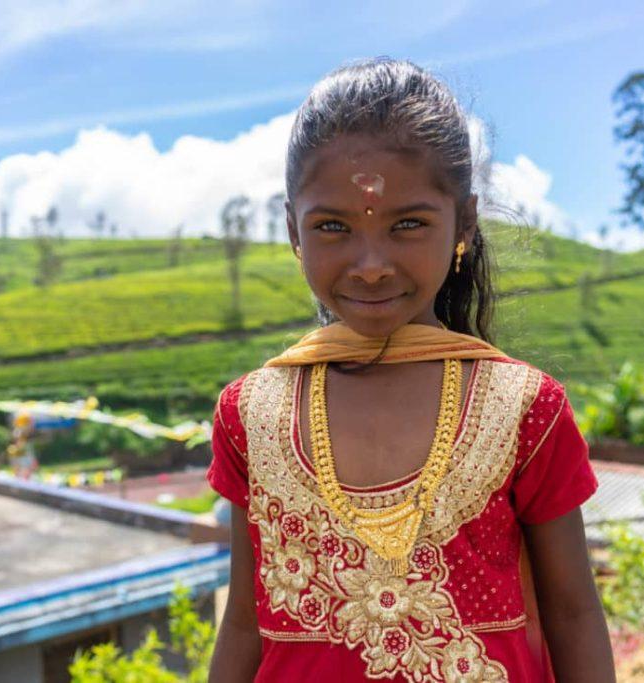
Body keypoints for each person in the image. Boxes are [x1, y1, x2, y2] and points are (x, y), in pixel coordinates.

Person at [206, 58, 615, 683]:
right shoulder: (250, 416)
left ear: (465, 223)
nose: (371, 264)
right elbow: (243, 622)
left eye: (408, 225)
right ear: (294, 229)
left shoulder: (523, 410)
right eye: (333, 227)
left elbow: (574, 614)